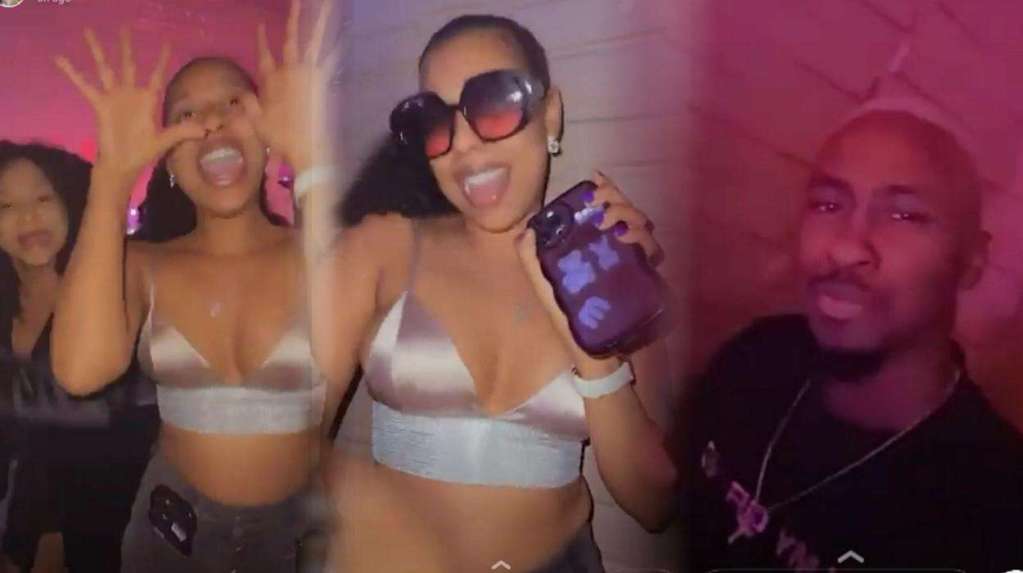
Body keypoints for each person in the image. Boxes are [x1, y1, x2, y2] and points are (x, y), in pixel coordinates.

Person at [311, 14, 678, 573]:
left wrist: (593, 332)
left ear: (550, 114)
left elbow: (654, 503)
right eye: (434, 122)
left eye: (494, 102)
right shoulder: (380, 249)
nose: (463, 145)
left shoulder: (618, 272)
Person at [50, 1, 338, 569]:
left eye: (234, 104)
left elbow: (349, 337)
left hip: (300, 538)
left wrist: (311, 155)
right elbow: (81, 371)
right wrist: (112, 177)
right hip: (172, 533)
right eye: (186, 114)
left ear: (268, 133)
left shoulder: (317, 251)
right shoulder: (143, 263)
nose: (210, 123)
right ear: (168, 160)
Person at [679, 100, 1023, 572]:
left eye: (904, 216)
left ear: (972, 261)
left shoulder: (997, 514)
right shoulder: (758, 356)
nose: (844, 248)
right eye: (828, 205)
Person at [0, 141, 158, 573]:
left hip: (112, 530)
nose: (28, 218)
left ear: (70, 200)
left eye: (42, 198)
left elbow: (130, 433)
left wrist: (50, 537)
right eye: (6, 205)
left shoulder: (114, 294)